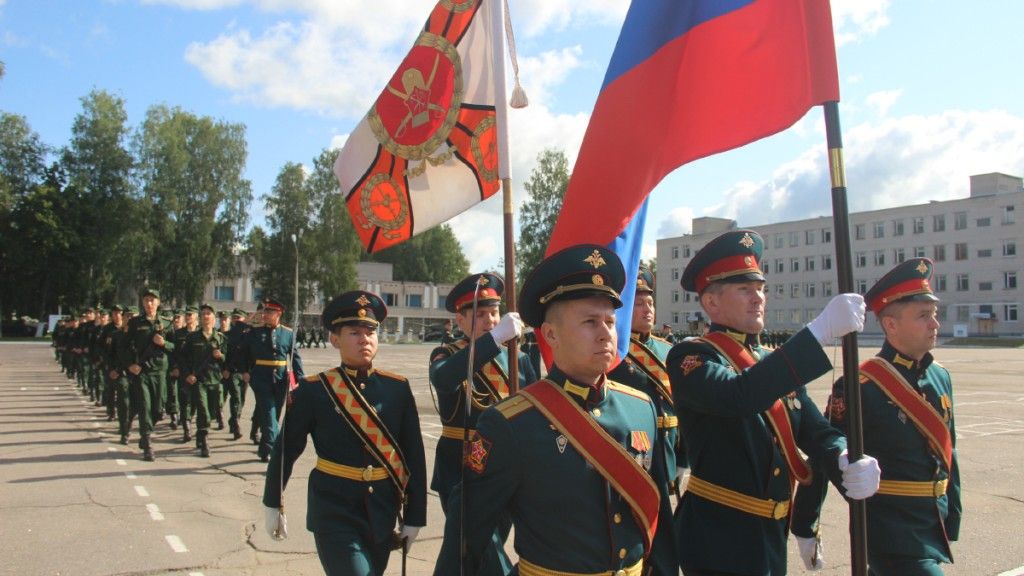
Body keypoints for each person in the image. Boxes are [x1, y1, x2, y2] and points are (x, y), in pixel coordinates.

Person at [435, 244, 665, 576]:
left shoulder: (640, 408)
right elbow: (467, 535)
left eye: (610, 321)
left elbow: (656, 526)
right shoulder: (510, 425)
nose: (605, 333)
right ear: (551, 334)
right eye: (590, 321)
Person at [666, 229, 881, 575]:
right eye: (744, 289)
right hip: (718, 539)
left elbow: (816, 431)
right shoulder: (691, 357)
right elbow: (740, 396)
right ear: (711, 303)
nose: (758, 298)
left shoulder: (771, 360)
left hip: (770, 536)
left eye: (761, 289)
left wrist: (842, 456)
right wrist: (817, 333)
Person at [790, 258, 961, 575]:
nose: (935, 324)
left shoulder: (940, 377)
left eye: (934, 315)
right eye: (924, 316)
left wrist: (953, 515)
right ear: (891, 325)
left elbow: (949, 453)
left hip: (931, 524)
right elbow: (824, 452)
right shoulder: (859, 387)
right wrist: (805, 524)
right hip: (889, 532)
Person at [263, 290, 426, 576]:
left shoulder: (397, 389)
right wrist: (272, 502)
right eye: (354, 332)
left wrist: (415, 517)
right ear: (334, 339)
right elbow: (286, 448)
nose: (364, 338)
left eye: (370, 331)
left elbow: (414, 455)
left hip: (381, 511)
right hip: (333, 511)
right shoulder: (314, 391)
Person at [428, 272, 536, 576]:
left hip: (505, 466)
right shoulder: (446, 354)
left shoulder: (519, 359)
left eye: (494, 313)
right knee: (488, 553)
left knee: (468, 553)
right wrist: (494, 340)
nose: (490, 320)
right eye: (480, 314)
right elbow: (444, 378)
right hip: (461, 467)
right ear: (460, 321)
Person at [607, 264, 683, 575]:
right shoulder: (616, 352)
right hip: (635, 451)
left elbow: (683, 409)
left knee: (666, 526)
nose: (647, 308)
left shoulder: (668, 350)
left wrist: (685, 459)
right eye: (639, 302)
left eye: (650, 301)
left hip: (668, 449)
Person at [241, 298, 304, 462]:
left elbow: (295, 358)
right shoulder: (254, 332)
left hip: (281, 378)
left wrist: (300, 382)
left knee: (274, 416)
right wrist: (245, 371)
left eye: (270, 312)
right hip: (261, 378)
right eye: (265, 311)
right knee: (269, 414)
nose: (266, 314)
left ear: (279, 313)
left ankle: (264, 449)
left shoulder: (288, 333)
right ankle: (278, 454)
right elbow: (241, 351)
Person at [122, 288, 175, 462]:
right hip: (142, 371)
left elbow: (176, 347)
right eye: (146, 300)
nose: (149, 303)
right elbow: (124, 346)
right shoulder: (136, 323)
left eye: (153, 300)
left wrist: (164, 343)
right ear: (143, 303)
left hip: (160, 371)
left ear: (158, 303)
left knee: (158, 410)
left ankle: (146, 435)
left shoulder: (167, 323)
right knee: (145, 406)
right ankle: (147, 441)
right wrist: (130, 364)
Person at [183, 304, 227, 458]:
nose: (206, 316)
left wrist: (220, 356)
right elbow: (183, 358)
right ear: (200, 319)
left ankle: (201, 434)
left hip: (215, 380)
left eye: (209, 313)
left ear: (214, 318)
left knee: (213, 411)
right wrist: (188, 374)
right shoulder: (192, 338)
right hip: (199, 380)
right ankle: (205, 440)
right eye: (203, 314)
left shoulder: (220, 338)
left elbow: (226, 361)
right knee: (203, 411)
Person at [222, 308, 249, 441]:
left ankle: (233, 420)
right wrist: (225, 369)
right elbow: (224, 354)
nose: (236, 320)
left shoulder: (249, 336)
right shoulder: (226, 335)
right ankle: (236, 423)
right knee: (236, 397)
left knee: (242, 399)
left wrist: (248, 371)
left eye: (239, 318)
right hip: (231, 371)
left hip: (244, 372)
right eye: (234, 318)